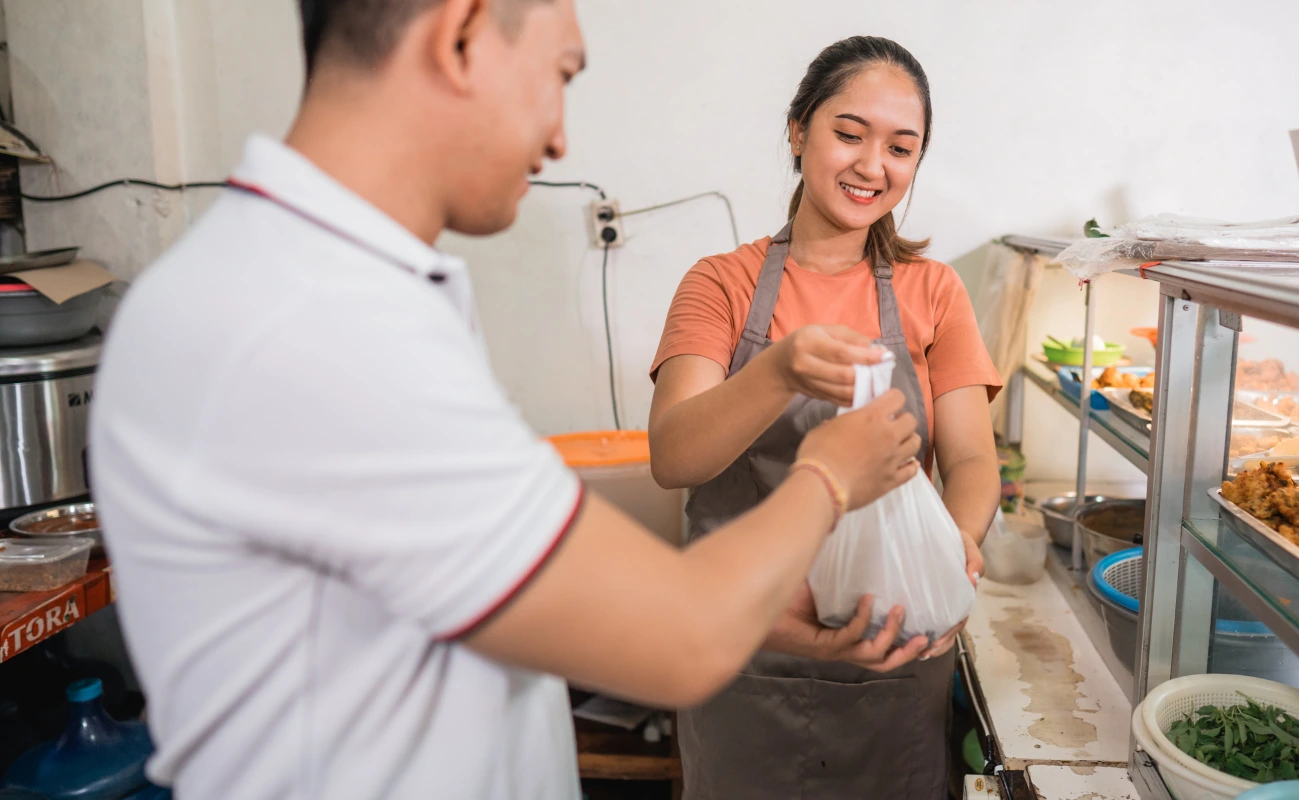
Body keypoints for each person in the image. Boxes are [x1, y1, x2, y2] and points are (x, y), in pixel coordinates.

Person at [88, 2, 922, 798]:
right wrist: (829, 476)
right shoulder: (309, 324)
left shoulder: (326, 291)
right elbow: (683, 636)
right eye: (559, 74)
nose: (559, 138)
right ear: (460, 35)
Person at [648, 35, 1002, 799]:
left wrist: (956, 548)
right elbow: (674, 456)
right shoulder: (722, 284)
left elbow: (973, 459)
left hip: (892, 648)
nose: (873, 166)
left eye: (900, 148)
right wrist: (776, 372)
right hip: (743, 648)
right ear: (798, 130)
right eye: (849, 134)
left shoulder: (934, 291)